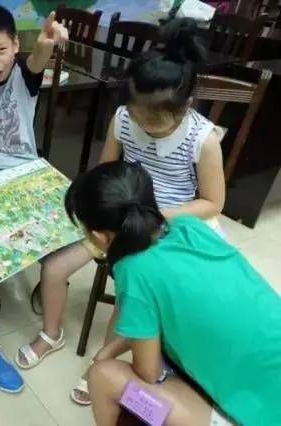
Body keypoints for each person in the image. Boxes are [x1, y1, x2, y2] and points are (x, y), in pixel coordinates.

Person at [71, 18, 228, 405]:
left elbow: (213, 203)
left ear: (186, 105)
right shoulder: (124, 119)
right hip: (130, 216)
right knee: (135, 290)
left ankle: (161, 359)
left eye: (155, 119)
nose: (143, 123)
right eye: (137, 113)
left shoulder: (203, 139)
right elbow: (106, 172)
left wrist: (158, 216)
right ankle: (108, 361)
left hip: (177, 220)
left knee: (179, 293)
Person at [64, 160, 281, 426]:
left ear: (99, 237)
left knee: (102, 376)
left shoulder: (134, 270)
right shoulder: (191, 226)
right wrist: (112, 348)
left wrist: (106, 355)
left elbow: (149, 372)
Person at [0, 4, 86, 393]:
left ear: (14, 46)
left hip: (25, 167)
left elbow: (39, 57)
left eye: (1, 50)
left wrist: (45, 41)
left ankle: (51, 316)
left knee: (70, 230)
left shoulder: (25, 73)